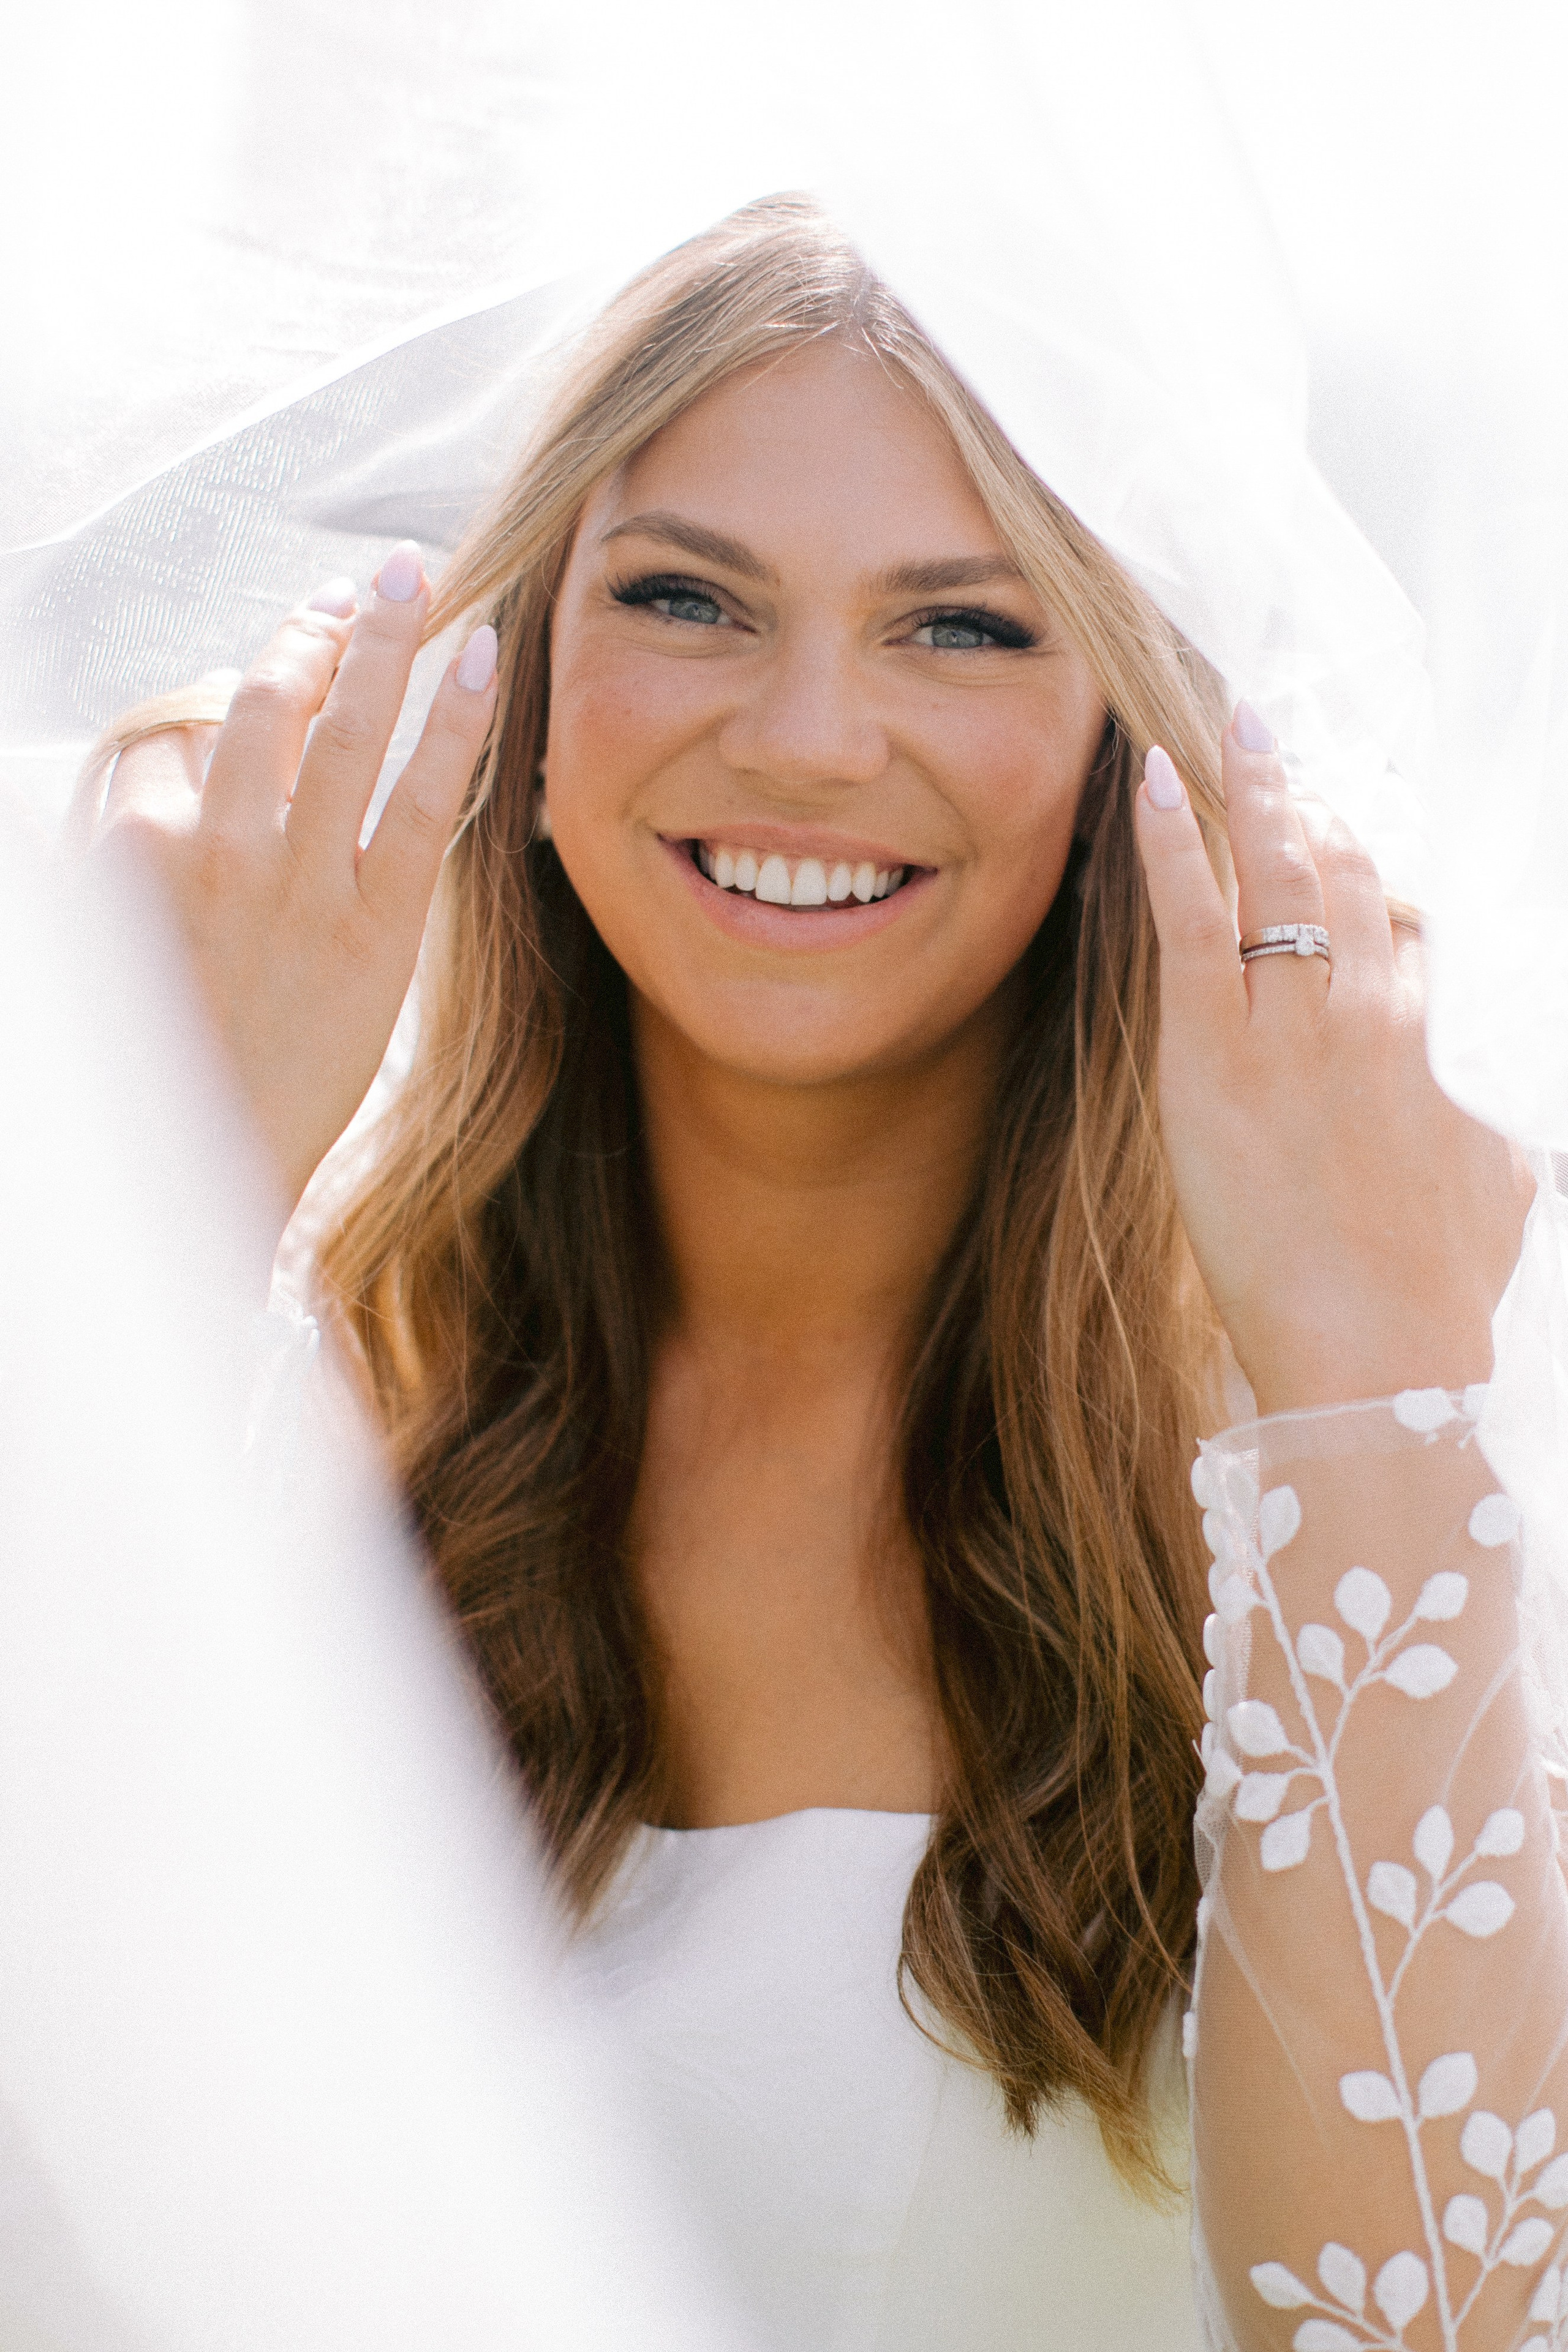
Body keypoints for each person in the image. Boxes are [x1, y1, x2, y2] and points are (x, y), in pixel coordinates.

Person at [83, 197, 1567, 2351]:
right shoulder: (298, 1406)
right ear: (518, 679)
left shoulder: (1370, 1442)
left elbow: (1427, 2320)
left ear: (1126, 750)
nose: (804, 737)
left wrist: (1365, 1373)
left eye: (961, 628)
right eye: (688, 596)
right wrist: (156, 1226)